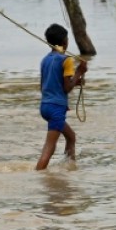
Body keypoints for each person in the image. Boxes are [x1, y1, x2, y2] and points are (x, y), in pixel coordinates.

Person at [35, 24, 88, 171]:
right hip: (56, 108)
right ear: (65, 42)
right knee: (49, 147)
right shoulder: (67, 60)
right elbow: (66, 88)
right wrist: (79, 72)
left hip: (45, 106)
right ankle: (37, 175)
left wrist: (75, 81)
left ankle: (68, 168)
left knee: (71, 137)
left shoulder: (45, 60)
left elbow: (46, 85)